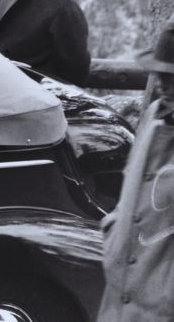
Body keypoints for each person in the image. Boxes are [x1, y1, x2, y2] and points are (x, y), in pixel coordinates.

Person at [98, 21, 174, 322]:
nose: (161, 84)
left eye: (172, 75)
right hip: (118, 302)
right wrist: (113, 232)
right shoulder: (156, 116)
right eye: (160, 73)